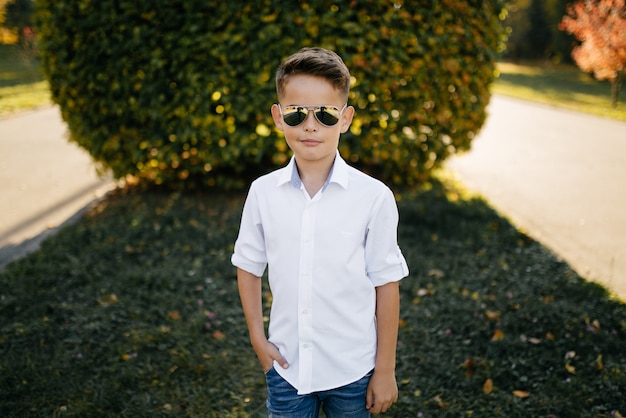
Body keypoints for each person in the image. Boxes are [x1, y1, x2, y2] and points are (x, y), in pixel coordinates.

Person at [231, 47, 409, 417]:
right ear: (279, 118)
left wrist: (385, 369)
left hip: (354, 370)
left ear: (345, 119)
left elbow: (386, 283)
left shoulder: (374, 197)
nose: (310, 126)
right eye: (297, 114)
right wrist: (257, 339)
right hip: (287, 368)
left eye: (325, 114)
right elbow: (248, 265)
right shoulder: (262, 192)